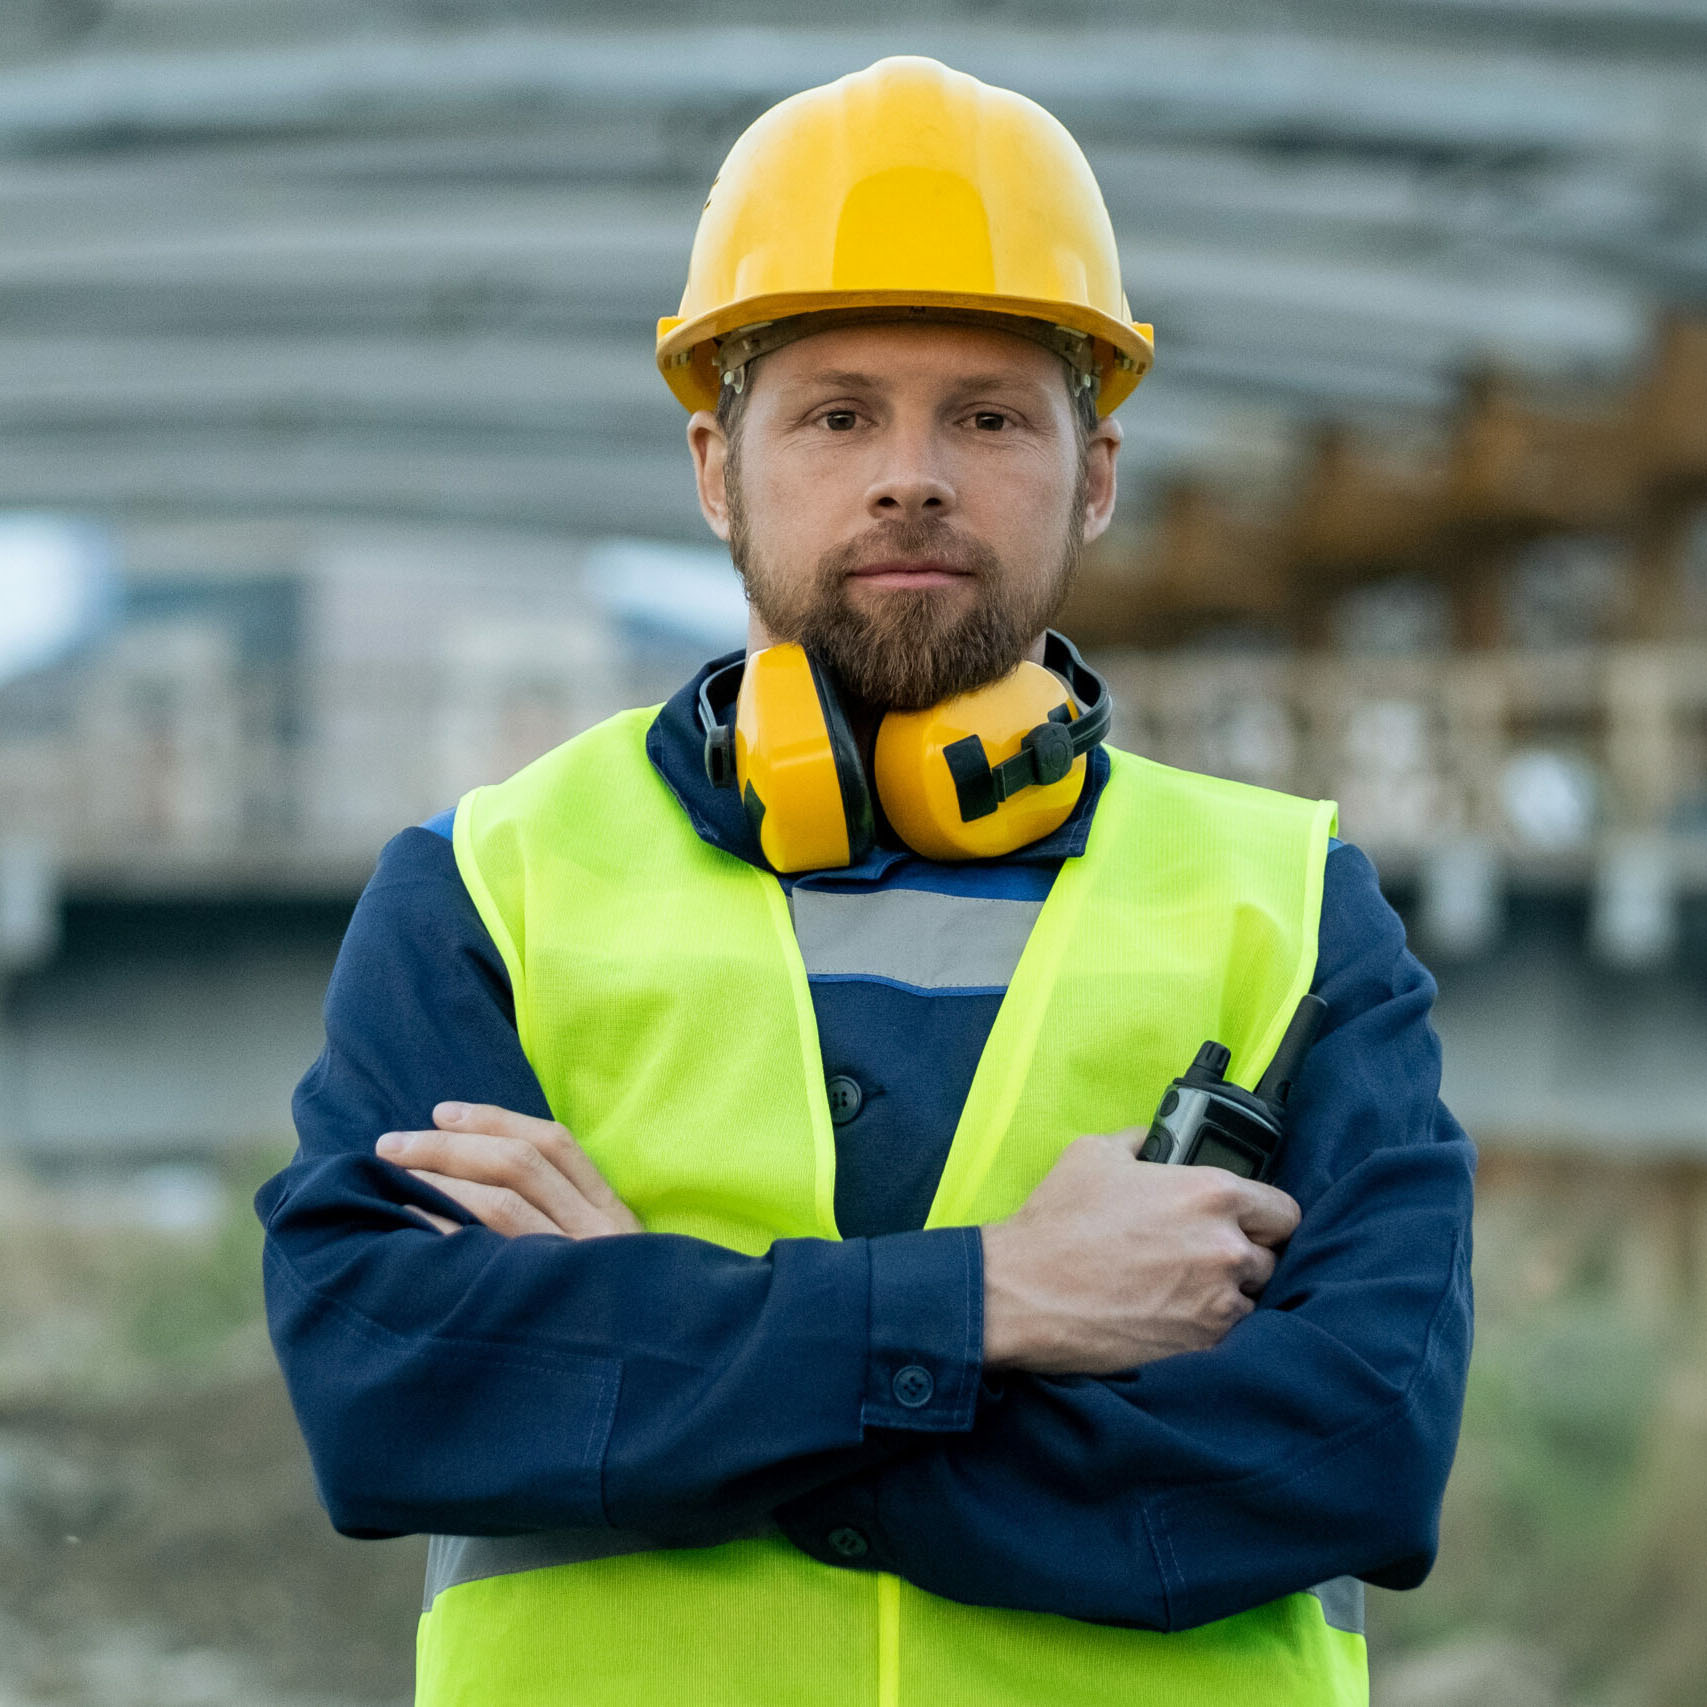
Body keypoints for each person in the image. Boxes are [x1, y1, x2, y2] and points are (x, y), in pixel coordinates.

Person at [257, 55, 1473, 1707]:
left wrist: (650, 1369)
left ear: (1096, 476)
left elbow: (1355, 1453)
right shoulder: (487, 888)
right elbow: (393, 1391)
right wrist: (1001, 1300)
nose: (914, 473)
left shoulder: (1291, 902)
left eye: (988, 416)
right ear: (714, 469)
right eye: (838, 414)